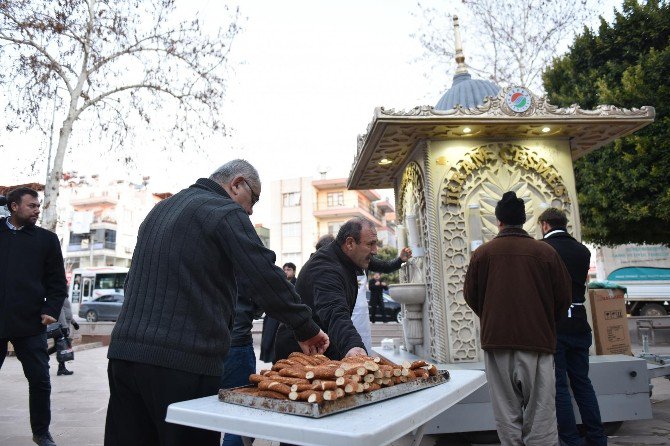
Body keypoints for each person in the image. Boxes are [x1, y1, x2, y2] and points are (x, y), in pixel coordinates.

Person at [104, 160, 329, 446]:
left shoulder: (160, 210)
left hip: (125, 355)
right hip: (182, 362)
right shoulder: (224, 211)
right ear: (236, 184)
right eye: (254, 199)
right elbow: (264, 275)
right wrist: (305, 327)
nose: (250, 210)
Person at [464, 191, 572, 445]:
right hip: (538, 342)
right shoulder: (545, 252)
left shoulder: (483, 254)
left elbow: (471, 296)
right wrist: (544, 319)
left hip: (497, 343)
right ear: (524, 221)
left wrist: (494, 316)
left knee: (506, 415)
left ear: (498, 221)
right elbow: (563, 297)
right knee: (541, 416)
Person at [0, 187, 67, 446]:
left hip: (30, 323)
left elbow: (57, 282)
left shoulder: (47, 240)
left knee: (40, 380)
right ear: (14, 206)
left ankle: (41, 433)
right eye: (31, 206)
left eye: (38, 206)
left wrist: (51, 311)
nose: (37, 210)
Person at [539, 207, 607, 446]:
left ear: (545, 225)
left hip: (555, 324)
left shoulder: (543, 249)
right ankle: (598, 438)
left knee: (559, 388)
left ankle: (570, 440)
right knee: (582, 383)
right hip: (579, 320)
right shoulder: (581, 249)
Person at [275, 217, 378, 361]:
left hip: (325, 347)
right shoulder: (326, 268)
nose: (375, 251)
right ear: (349, 243)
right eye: (370, 244)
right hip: (300, 352)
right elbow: (334, 311)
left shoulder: (345, 260)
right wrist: (352, 345)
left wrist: (399, 261)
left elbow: (378, 264)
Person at [220, 274, 262, 446]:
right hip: (236, 343)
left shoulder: (199, 255)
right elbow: (261, 303)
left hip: (200, 344)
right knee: (241, 416)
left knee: (201, 418)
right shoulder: (243, 259)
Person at [259, 262, 296, 363]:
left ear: (294, 271)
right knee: (271, 345)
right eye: (284, 269)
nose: (286, 272)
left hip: (287, 320)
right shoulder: (278, 283)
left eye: (289, 269)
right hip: (273, 319)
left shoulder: (296, 284)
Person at [46, 298, 80, 376]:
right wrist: (64, 326)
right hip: (60, 326)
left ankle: (61, 368)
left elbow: (67, 312)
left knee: (61, 346)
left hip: (62, 325)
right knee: (61, 346)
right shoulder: (61, 296)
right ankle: (42, 358)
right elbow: (60, 311)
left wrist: (74, 323)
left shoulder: (63, 296)